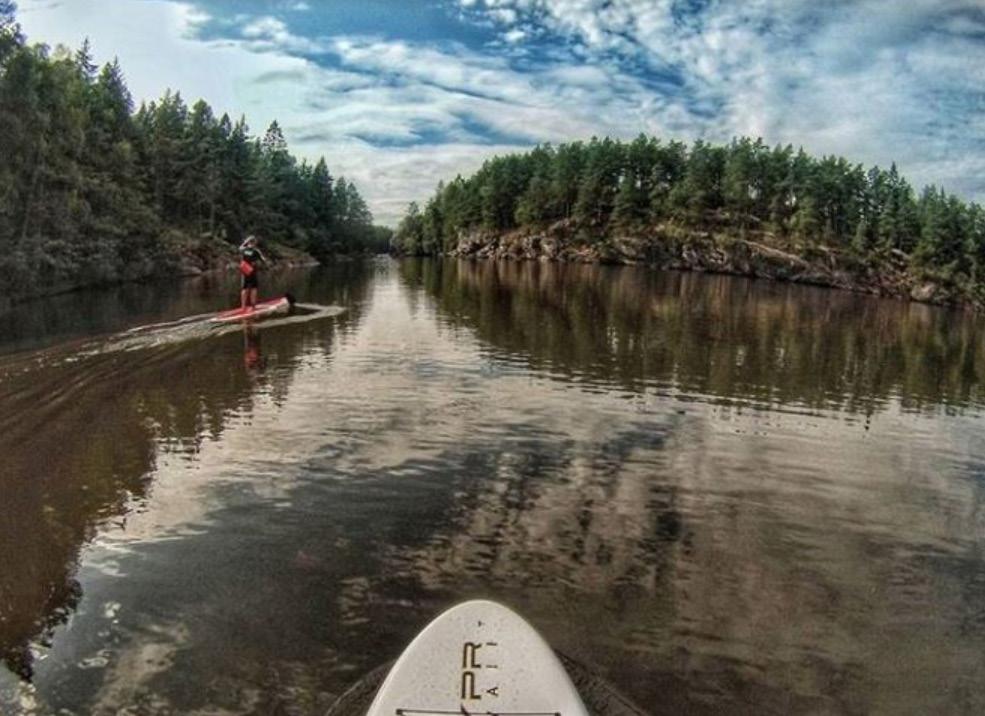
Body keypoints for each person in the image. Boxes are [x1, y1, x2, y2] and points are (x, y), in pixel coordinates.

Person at [239, 235, 268, 310]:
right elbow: (263, 260)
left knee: (244, 288)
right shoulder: (256, 251)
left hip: (244, 271)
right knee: (254, 288)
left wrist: (245, 242)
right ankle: (253, 306)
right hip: (252, 271)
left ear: (248, 242)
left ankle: (243, 306)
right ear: (255, 243)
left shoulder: (243, 249)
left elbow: (240, 247)